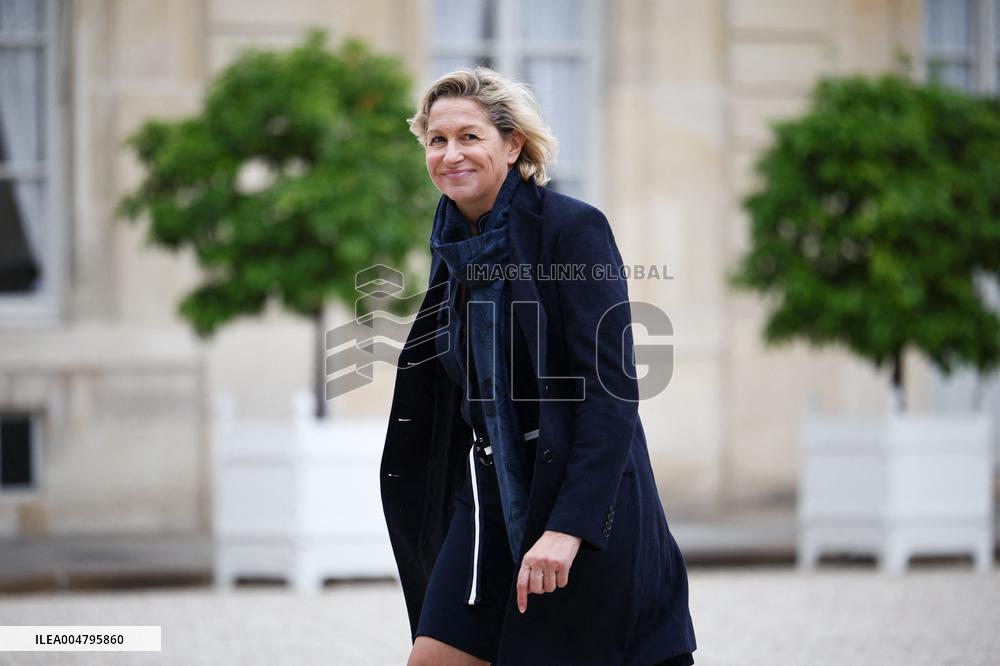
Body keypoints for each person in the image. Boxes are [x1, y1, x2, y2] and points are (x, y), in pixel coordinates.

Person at [380, 67, 697, 666]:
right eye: (436, 140)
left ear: (512, 144)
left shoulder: (572, 230)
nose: (451, 154)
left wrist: (568, 527)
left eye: (470, 137)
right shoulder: (453, 246)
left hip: (569, 495)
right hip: (489, 498)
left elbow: (611, 394)